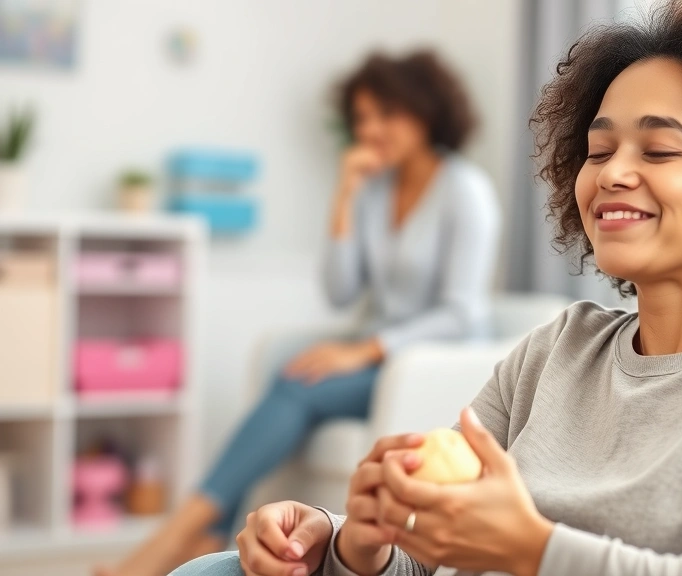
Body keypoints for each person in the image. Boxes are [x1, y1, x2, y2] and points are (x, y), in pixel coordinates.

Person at [173, 0, 682, 574]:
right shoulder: (559, 349)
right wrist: (350, 540)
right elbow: (430, 548)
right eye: (599, 149)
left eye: (660, 149)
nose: (611, 173)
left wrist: (535, 550)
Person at [100, 50, 501, 576]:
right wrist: (345, 193)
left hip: (430, 359)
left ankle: (172, 539)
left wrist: (363, 349)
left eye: (385, 113)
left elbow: (462, 312)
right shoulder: (375, 190)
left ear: (424, 111)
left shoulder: (464, 190)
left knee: (297, 384)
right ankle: (204, 535)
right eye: (361, 119)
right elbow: (340, 292)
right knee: (289, 373)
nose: (370, 129)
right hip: (376, 359)